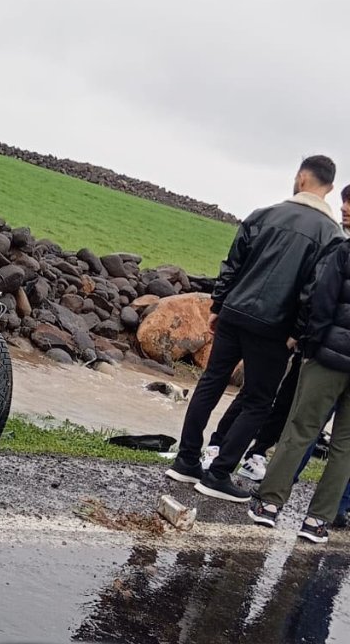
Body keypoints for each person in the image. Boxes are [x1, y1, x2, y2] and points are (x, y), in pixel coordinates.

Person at [166, 155, 341, 501]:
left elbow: (233, 263)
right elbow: (314, 290)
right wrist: (298, 331)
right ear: (330, 188)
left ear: (301, 178)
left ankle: (187, 461)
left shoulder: (263, 214)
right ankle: (218, 474)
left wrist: (219, 305)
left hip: (234, 313)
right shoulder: (330, 235)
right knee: (258, 401)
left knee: (211, 383)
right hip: (274, 328)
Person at [203, 185, 350, 482]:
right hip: (298, 332)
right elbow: (316, 291)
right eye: (345, 202)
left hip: (313, 338)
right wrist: (301, 331)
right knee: (256, 393)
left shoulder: (335, 239)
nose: (345, 208)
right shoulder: (335, 239)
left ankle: (257, 452)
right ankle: (218, 445)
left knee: (285, 401)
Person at [249, 237, 350, 543]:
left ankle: (269, 504)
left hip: (328, 355)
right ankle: (318, 521)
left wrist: (311, 343)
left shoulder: (345, 251)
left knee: (301, 428)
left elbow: (323, 297)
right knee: (346, 446)